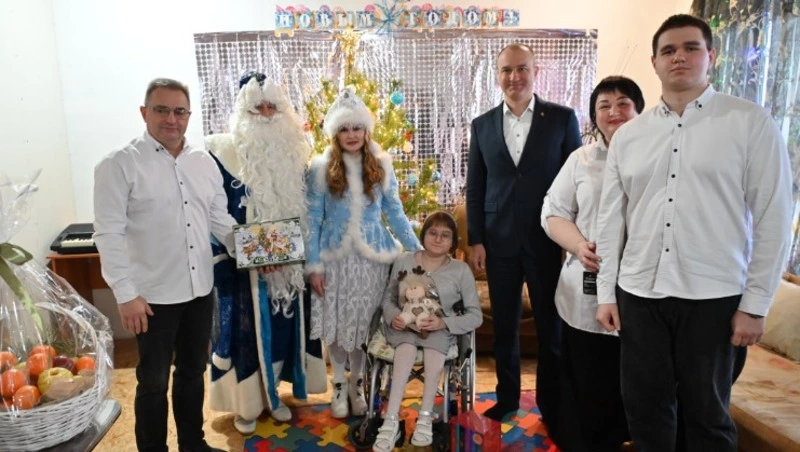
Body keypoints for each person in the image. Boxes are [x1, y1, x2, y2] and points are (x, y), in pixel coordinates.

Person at [595, 14, 793, 452]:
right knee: (645, 410)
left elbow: (774, 217)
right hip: (639, 293)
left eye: (690, 48)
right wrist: (606, 292)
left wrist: (756, 304)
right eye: (668, 50)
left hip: (713, 296)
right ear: (654, 62)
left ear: (711, 56)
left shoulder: (749, 122)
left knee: (707, 415)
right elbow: (610, 221)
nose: (679, 57)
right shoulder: (630, 136)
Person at [93, 78, 233, 452]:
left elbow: (219, 219)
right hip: (151, 298)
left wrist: (257, 252)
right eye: (162, 110)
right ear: (144, 113)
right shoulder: (119, 164)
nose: (171, 119)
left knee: (192, 372)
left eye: (179, 111)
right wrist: (126, 295)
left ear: (188, 115)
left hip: (199, 290)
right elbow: (108, 234)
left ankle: (193, 444)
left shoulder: (203, 162)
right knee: (153, 381)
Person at [465, 43, 582, 430]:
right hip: (498, 243)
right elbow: (476, 187)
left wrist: (573, 239)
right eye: (506, 70)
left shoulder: (562, 119)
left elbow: (577, 182)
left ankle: (552, 403)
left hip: (549, 240)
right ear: (497, 75)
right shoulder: (482, 125)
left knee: (551, 328)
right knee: (505, 328)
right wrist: (476, 240)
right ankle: (507, 399)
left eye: (521, 69)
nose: (514, 77)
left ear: (535, 71)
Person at [204, 72, 326, 435]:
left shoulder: (295, 151)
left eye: (273, 107)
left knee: (283, 332)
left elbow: (305, 212)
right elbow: (214, 212)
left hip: (287, 268)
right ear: (244, 111)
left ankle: (273, 397)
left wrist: (286, 255)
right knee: (244, 337)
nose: (267, 114)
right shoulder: (220, 151)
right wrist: (258, 252)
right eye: (259, 108)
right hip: (242, 266)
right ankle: (247, 405)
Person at [541, 76, 644, 452]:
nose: (614, 111)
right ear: (593, 115)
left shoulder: (659, 157)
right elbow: (552, 212)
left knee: (636, 372)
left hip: (641, 287)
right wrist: (578, 245)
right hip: (586, 287)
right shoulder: (580, 160)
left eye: (623, 103)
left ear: (639, 110)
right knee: (588, 372)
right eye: (604, 105)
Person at [305, 86, 421, 419]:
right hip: (335, 260)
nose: (352, 134)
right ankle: (338, 385)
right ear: (335, 133)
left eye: (357, 127)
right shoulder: (320, 167)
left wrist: (416, 250)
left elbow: (394, 211)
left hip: (372, 261)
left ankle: (357, 383)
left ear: (366, 129)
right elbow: (311, 219)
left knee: (363, 324)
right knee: (339, 323)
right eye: (344, 128)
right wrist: (314, 265)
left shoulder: (381, 165)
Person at [373, 211, 483, 451]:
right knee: (406, 348)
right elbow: (388, 298)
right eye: (433, 233)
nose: (438, 239)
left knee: (434, 352)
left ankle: (425, 417)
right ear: (423, 235)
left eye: (445, 235)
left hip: (438, 328)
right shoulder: (404, 261)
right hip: (404, 326)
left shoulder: (461, 270)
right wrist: (393, 317)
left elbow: (476, 315)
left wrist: (444, 323)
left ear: (453, 242)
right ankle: (390, 419)